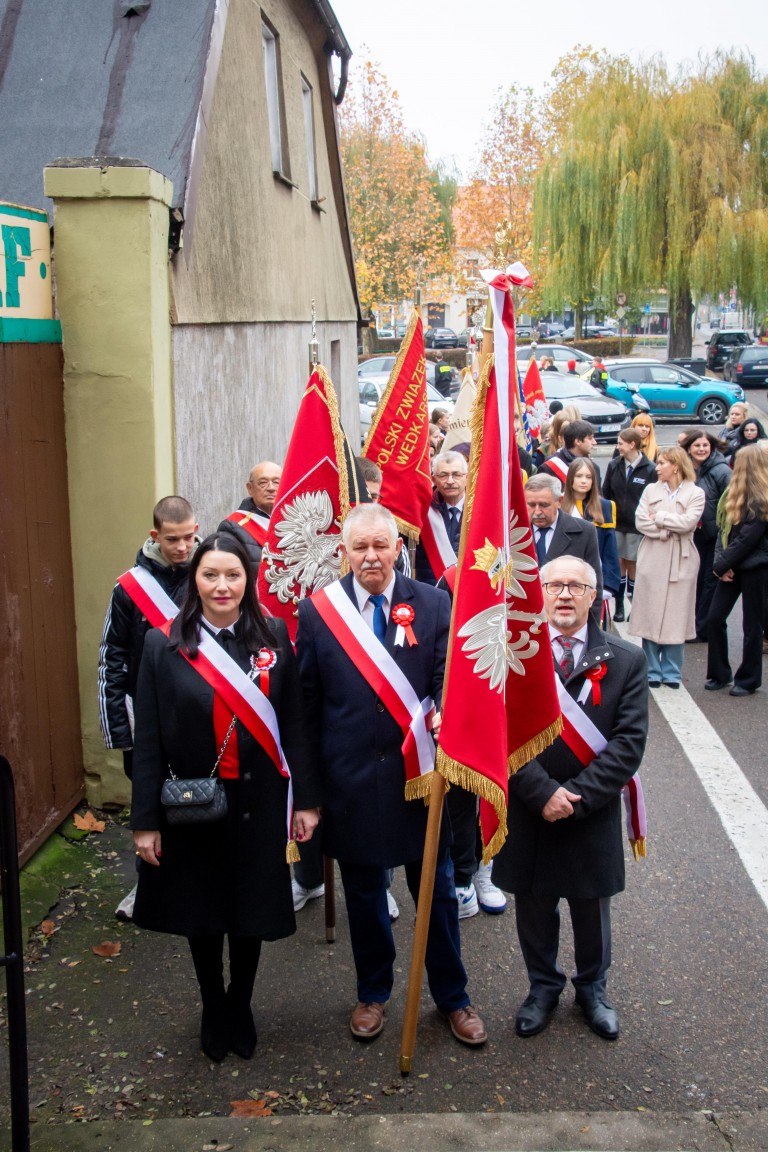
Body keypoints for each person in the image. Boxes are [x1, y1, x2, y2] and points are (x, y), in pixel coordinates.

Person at [296, 504, 487, 1046]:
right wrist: (309, 793)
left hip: (419, 779)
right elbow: (306, 708)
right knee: (364, 895)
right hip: (350, 781)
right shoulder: (319, 613)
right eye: (360, 547)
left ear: (398, 548)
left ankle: (453, 998)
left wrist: (446, 711)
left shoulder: (433, 602)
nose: (371, 557)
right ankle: (372, 993)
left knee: (438, 893)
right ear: (344, 553)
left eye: (381, 545)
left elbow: (448, 676)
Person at [130, 533, 321, 1062]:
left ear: (247, 579)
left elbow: (295, 724)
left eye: (232, 575)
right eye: (210, 574)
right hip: (193, 804)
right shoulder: (162, 644)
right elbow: (149, 738)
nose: (222, 586)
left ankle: (241, 1002)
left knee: (249, 908)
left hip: (260, 802)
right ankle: (213, 1003)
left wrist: (307, 801)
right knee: (203, 909)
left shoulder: (274, 635)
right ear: (194, 580)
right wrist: (144, 821)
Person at [493, 556, 648, 1041]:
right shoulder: (513, 655)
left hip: (589, 810)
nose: (564, 594)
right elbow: (499, 732)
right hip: (531, 806)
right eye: (554, 585)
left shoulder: (626, 660)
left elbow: (628, 744)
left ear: (593, 596)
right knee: (534, 907)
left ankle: (593, 989)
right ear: (538, 592)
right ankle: (542, 987)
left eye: (576, 587)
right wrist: (541, 791)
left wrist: (576, 797)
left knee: (590, 909)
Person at [98, 496, 200, 921]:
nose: (183, 547)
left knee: (201, 800)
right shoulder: (129, 588)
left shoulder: (208, 575)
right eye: (173, 540)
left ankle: (197, 882)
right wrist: (119, 732)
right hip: (147, 716)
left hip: (200, 714)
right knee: (151, 804)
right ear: (155, 536)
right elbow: (112, 658)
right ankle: (147, 882)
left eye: (189, 538)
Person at [629, 447, 705, 687]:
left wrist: (659, 517)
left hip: (682, 558)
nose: (658, 467)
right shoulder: (650, 489)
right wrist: (668, 528)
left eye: (662, 463)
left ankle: (672, 672)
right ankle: (652, 670)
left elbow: (688, 523)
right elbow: (641, 521)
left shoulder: (696, 493)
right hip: (653, 555)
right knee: (650, 612)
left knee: (676, 614)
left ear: (676, 466)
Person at [705, 445, 768, 696]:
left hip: (756, 569)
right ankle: (719, 674)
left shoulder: (762, 500)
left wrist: (720, 565)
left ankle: (748, 679)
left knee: (752, 626)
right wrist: (721, 565)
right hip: (731, 566)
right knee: (714, 618)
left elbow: (747, 540)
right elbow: (724, 532)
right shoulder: (732, 495)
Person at [524, 473, 604, 623]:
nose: (537, 512)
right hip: (526, 622)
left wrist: (591, 628)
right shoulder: (513, 533)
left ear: (559, 501)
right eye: (531, 505)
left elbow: (595, 586)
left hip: (566, 621)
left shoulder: (584, 532)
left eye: (544, 505)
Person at [680, 429, 732, 642]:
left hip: (715, 535)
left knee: (710, 581)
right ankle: (692, 624)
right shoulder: (685, 469)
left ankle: (702, 628)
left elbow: (730, 504)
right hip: (694, 534)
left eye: (705, 446)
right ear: (688, 448)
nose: (701, 449)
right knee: (694, 580)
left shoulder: (722, 471)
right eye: (697, 445)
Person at [601, 429, 658, 622]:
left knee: (633, 563)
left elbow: (652, 498)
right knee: (619, 563)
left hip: (636, 526)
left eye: (621, 443)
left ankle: (635, 606)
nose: (618, 447)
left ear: (632, 444)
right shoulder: (614, 465)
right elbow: (606, 493)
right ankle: (619, 605)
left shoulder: (649, 469)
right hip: (616, 524)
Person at [562, 459, 620, 625]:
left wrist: (608, 585)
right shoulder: (559, 506)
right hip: (566, 578)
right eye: (579, 476)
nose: (583, 481)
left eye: (588, 477)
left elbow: (610, 550)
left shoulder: (605, 506)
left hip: (594, 578)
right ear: (570, 478)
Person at [415, 451, 467, 585]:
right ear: (433, 479)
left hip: (470, 589)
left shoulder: (480, 509)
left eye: (456, 474)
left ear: (467, 477)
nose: (450, 481)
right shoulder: (422, 511)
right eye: (443, 475)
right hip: (430, 590)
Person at [217, 460, 282, 568]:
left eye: (276, 482)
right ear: (250, 488)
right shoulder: (233, 527)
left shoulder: (295, 520)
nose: (271, 488)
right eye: (263, 482)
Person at [537, 420, 598, 487]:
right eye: (590, 438)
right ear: (577, 441)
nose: (594, 442)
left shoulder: (593, 467)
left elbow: (597, 493)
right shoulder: (549, 467)